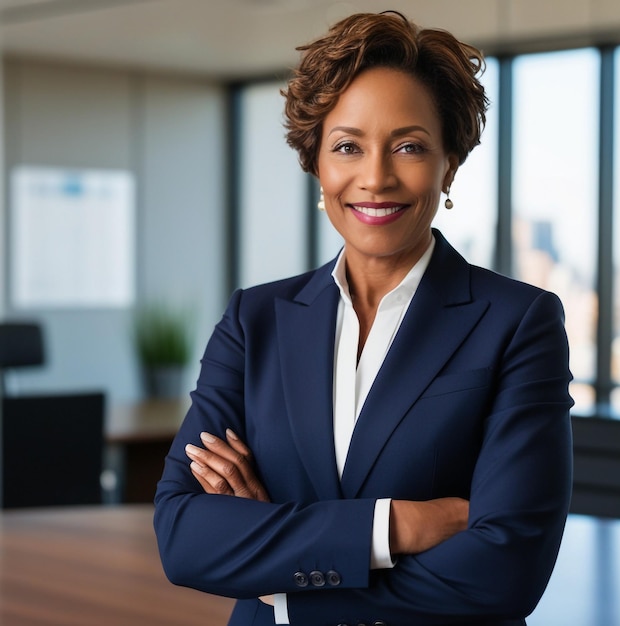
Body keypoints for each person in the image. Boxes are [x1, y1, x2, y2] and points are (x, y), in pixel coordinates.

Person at [154, 11, 573, 626]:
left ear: (448, 165)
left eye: (408, 146)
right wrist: (398, 524)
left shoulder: (518, 321)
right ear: (316, 164)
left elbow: (507, 569)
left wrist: (280, 573)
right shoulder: (256, 319)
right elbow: (184, 534)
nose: (375, 178)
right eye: (348, 146)